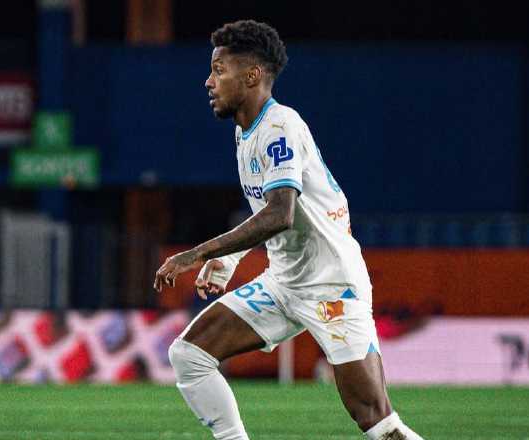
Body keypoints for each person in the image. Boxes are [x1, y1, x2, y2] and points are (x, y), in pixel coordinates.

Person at [154, 20, 423, 440]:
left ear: (252, 75)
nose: (208, 81)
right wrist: (229, 259)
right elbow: (266, 211)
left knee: (377, 421)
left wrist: (200, 253)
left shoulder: (281, 126)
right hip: (283, 283)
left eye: (219, 70)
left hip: (332, 285)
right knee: (189, 354)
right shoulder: (246, 133)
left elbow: (280, 213)